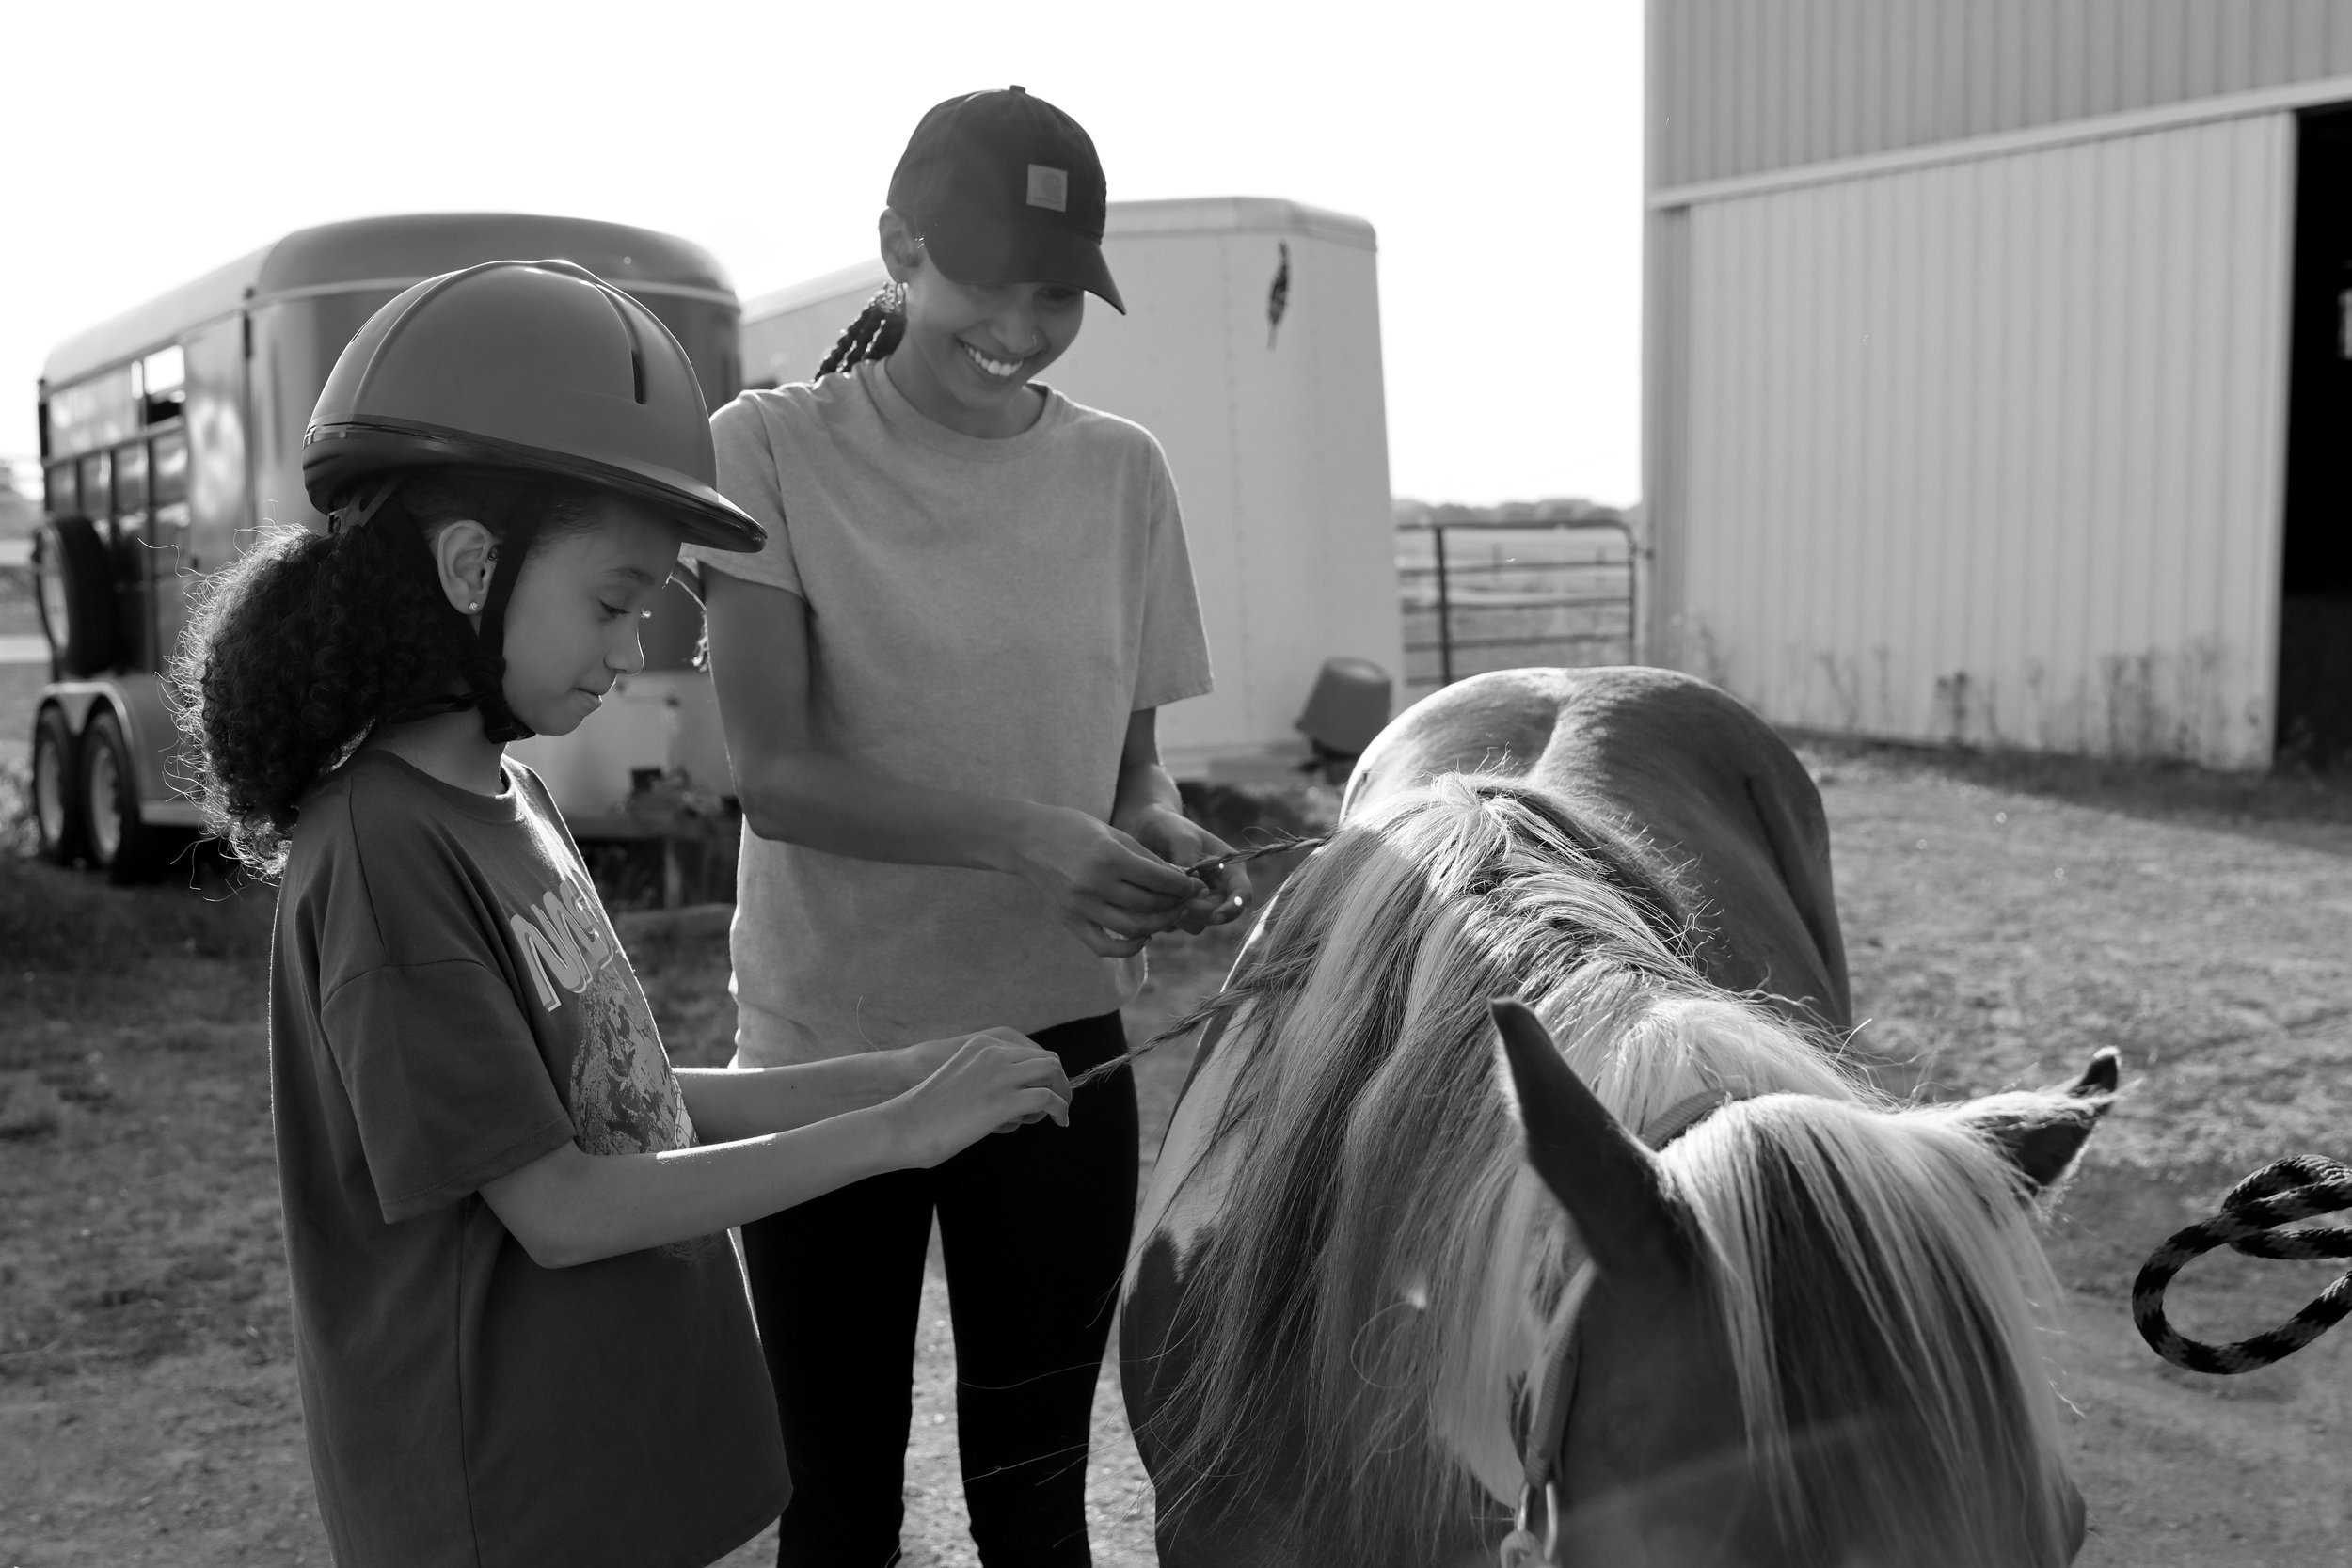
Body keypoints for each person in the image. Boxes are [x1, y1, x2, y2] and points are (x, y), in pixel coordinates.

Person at [169, 259, 1070, 1568]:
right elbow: (564, 1204)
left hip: (638, 1471)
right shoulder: (380, 851)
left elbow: (622, 1096)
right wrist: (895, 1132)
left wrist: (894, 1072)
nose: (636, 648)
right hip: (522, 1509)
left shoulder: (510, 795)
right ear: (472, 566)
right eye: (613, 599)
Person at [690, 86, 1249, 1567]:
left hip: (1062, 1052)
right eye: (988, 275)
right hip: (826, 1056)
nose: (1022, 317)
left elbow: (1134, 769)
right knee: (835, 1511)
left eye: (1059, 288)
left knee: (1035, 1501)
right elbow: (775, 772)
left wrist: (1153, 843)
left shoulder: (1125, 472)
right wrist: (1030, 837)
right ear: (898, 248)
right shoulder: (765, 452)